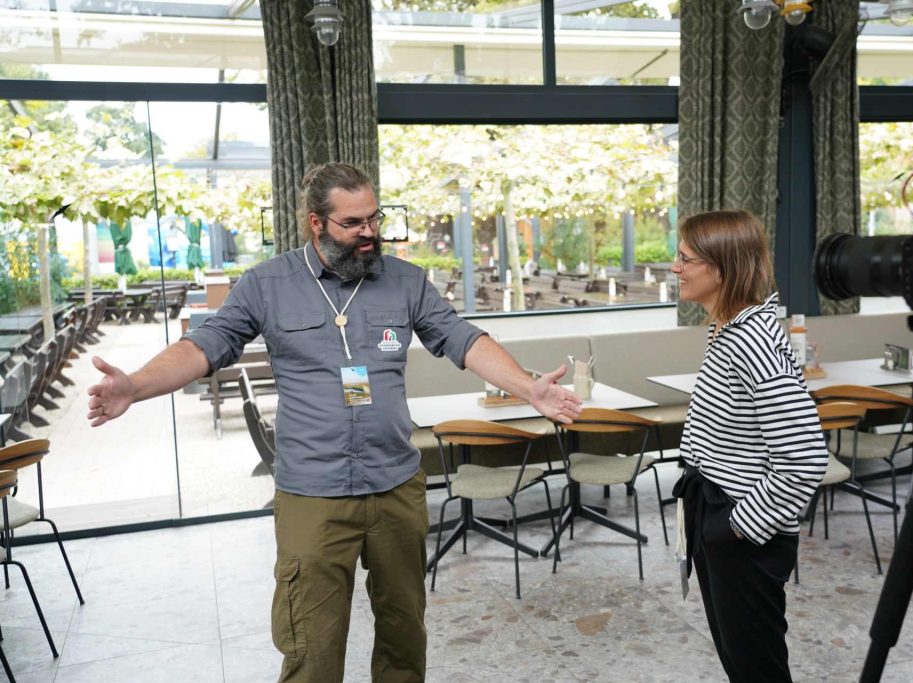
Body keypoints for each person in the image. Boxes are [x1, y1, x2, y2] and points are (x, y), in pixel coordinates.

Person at [86, 162, 582, 683]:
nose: (370, 233)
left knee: (404, 635)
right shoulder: (268, 284)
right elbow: (205, 346)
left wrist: (527, 387)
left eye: (375, 218)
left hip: (396, 485)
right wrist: (136, 386)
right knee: (312, 649)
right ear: (316, 223)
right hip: (313, 493)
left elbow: (462, 339)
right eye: (353, 223)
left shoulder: (406, 281)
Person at [670, 210, 827, 682]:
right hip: (716, 507)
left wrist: (735, 527)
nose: (675, 269)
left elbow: (804, 458)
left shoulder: (752, 341)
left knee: (757, 670)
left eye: (684, 259)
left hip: (741, 527)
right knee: (742, 664)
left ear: (721, 267)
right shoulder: (728, 328)